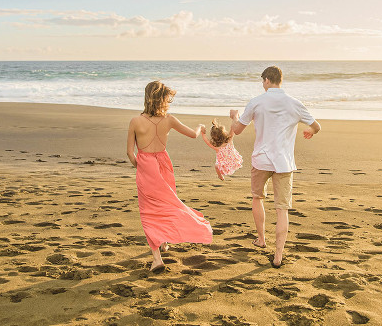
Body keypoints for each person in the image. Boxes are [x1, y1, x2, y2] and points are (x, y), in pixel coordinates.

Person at [230, 65, 321, 268]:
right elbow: (316, 126)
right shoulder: (294, 103)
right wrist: (309, 131)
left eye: (263, 81)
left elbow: (236, 130)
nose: (263, 85)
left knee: (257, 197)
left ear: (267, 80)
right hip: (284, 163)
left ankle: (261, 239)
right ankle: (278, 255)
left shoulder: (256, 102)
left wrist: (234, 117)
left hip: (261, 160)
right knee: (282, 209)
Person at [126, 80, 213, 272]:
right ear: (162, 99)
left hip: (146, 166)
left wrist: (140, 168)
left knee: (149, 211)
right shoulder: (169, 120)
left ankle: (157, 258)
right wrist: (200, 126)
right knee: (167, 203)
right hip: (164, 164)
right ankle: (164, 242)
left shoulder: (135, 121)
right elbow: (193, 134)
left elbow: (130, 153)